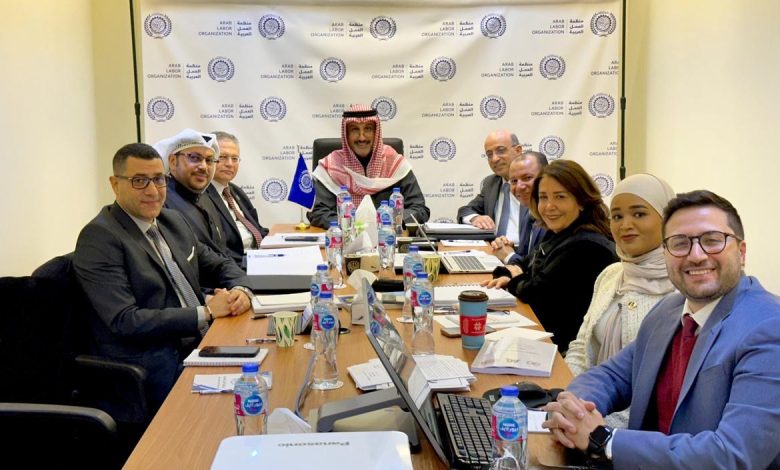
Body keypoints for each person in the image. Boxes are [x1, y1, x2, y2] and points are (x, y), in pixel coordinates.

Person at [543, 190, 780, 468]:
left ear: (741, 252)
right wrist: (574, 409)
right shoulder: (669, 310)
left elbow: (732, 455)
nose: (696, 256)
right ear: (665, 253)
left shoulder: (769, 328)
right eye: (679, 243)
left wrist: (605, 440)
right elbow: (612, 376)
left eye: (712, 241)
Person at [73, 143, 254, 409]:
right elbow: (125, 320)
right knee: (237, 406)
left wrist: (241, 290)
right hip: (154, 363)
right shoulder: (100, 237)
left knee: (265, 375)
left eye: (158, 179)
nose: (152, 190)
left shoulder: (173, 221)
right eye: (139, 181)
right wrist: (205, 312)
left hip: (202, 342)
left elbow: (220, 264)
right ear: (115, 184)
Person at [564, 173, 676, 428]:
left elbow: (660, 389)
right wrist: (567, 399)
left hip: (634, 432)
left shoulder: (680, 289)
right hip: (586, 412)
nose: (625, 225)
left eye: (639, 214)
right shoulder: (611, 275)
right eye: (617, 216)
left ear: (667, 218)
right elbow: (582, 348)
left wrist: (598, 427)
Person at [485, 160, 617, 349]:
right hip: (541, 334)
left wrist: (516, 278)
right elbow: (524, 266)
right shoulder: (559, 232)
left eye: (560, 197)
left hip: (562, 350)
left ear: (581, 201)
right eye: (543, 197)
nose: (549, 206)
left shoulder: (587, 247)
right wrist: (511, 275)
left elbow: (534, 293)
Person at [308, 104, 429, 228]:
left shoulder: (394, 163)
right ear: (346, 134)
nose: (362, 137)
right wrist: (354, 225)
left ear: (376, 132)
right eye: (354, 129)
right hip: (345, 236)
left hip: (388, 236)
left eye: (368, 129)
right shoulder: (331, 166)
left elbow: (419, 209)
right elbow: (318, 212)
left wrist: (389, 221)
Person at [153, 128, 229, 260]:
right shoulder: (162, 202)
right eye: (194, 158)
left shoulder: (205, 196)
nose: (204, 167)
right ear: (172, 161)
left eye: (209, 160)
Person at [205, 131, 268, 267]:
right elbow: (218, 250)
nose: (230, 164)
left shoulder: (235, 191)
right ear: (208, 159)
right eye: (222, 157)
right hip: (238, 266)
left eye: (235, 158)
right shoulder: (202, 197)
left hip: (259, 257)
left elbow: (257, 229)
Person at [457, 131, 523, 242]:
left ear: (518, 151)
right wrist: (476, 218)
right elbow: (465, 210)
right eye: (489, 155)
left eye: (500, 151)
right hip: (494, 248)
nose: (494, 159)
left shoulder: (536, 183)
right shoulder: (491, 183)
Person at [490, 151, 548, 263]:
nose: (519, 186)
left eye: (527, 178)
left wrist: (509, 256)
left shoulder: (552, 218)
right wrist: (510, 249)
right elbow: (527, 259)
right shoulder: (529, 214)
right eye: (514, 181)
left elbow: (537, 270)